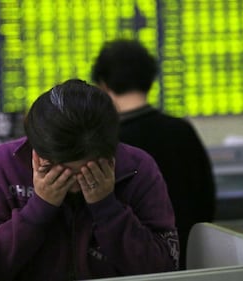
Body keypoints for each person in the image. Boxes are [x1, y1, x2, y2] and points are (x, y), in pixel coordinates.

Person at [0, 79, 179, 281]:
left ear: (111, 156)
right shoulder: (1, 166)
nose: (75, 186)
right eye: (60, 173)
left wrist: (107, 208)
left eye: (88, 171)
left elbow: (165, 271)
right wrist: (38, 209)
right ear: (36, 153)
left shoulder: (138, 169)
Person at [91, 39, 216, 270]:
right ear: (150, 79)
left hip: (131, 264)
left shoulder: (107, 142)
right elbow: (206, 200)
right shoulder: (182, 131)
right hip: (189, 261)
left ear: (103, 84)